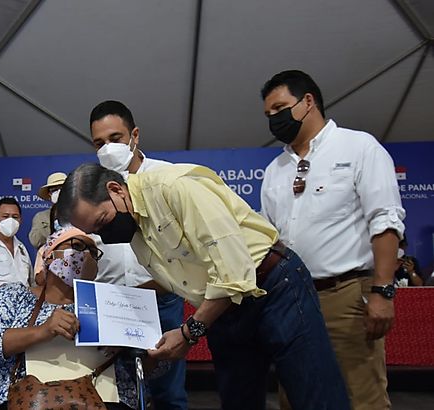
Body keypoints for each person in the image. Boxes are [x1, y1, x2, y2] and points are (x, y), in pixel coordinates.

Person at [57, 163, 350, 410]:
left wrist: (189, 333)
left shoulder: (175, 188)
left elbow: (232, 272)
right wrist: (115, 302)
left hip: (274, 287)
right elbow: (180, 274)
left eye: (103, 221)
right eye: (95, 232)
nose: (105, 234)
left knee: (317, 396)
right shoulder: (132, 226)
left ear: (116, 190)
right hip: (223, 308)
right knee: (238, 401)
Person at [259, 70, 405, 410]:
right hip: (290, 300)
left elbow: (385, 220)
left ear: (308, 101)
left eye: (280, 108)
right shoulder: (274, 170)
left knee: (360, 396)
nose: (274, 119)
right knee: (295, 395)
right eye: (268, 115)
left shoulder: (359, 147)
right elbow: (269, 242)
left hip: (346, 297)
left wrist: (382, 291)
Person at [0, 227, 163, 410]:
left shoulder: (112, 302)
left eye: (93, 252)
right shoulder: (15, 296)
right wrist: (42, 331)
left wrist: (132, 345)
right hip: (23, 398)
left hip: (105, 399)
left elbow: (153, 366)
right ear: (49, 255)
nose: (87, 255)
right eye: (78, 246)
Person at [89, 100, 187, 409]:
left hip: (162, 297)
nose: (107, 148)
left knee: (167, 391)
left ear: (135, 135)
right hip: (110, 301)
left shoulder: (168, 177)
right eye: (98, 143)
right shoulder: (90, 188)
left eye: (115, 138)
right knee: (115, 391)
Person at [29, 172, 66, 248]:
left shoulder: (79, 213)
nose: (59, 192)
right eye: (55, 190)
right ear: (49, 194)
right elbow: (35, 241)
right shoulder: (40, 217)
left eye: (63, 189)